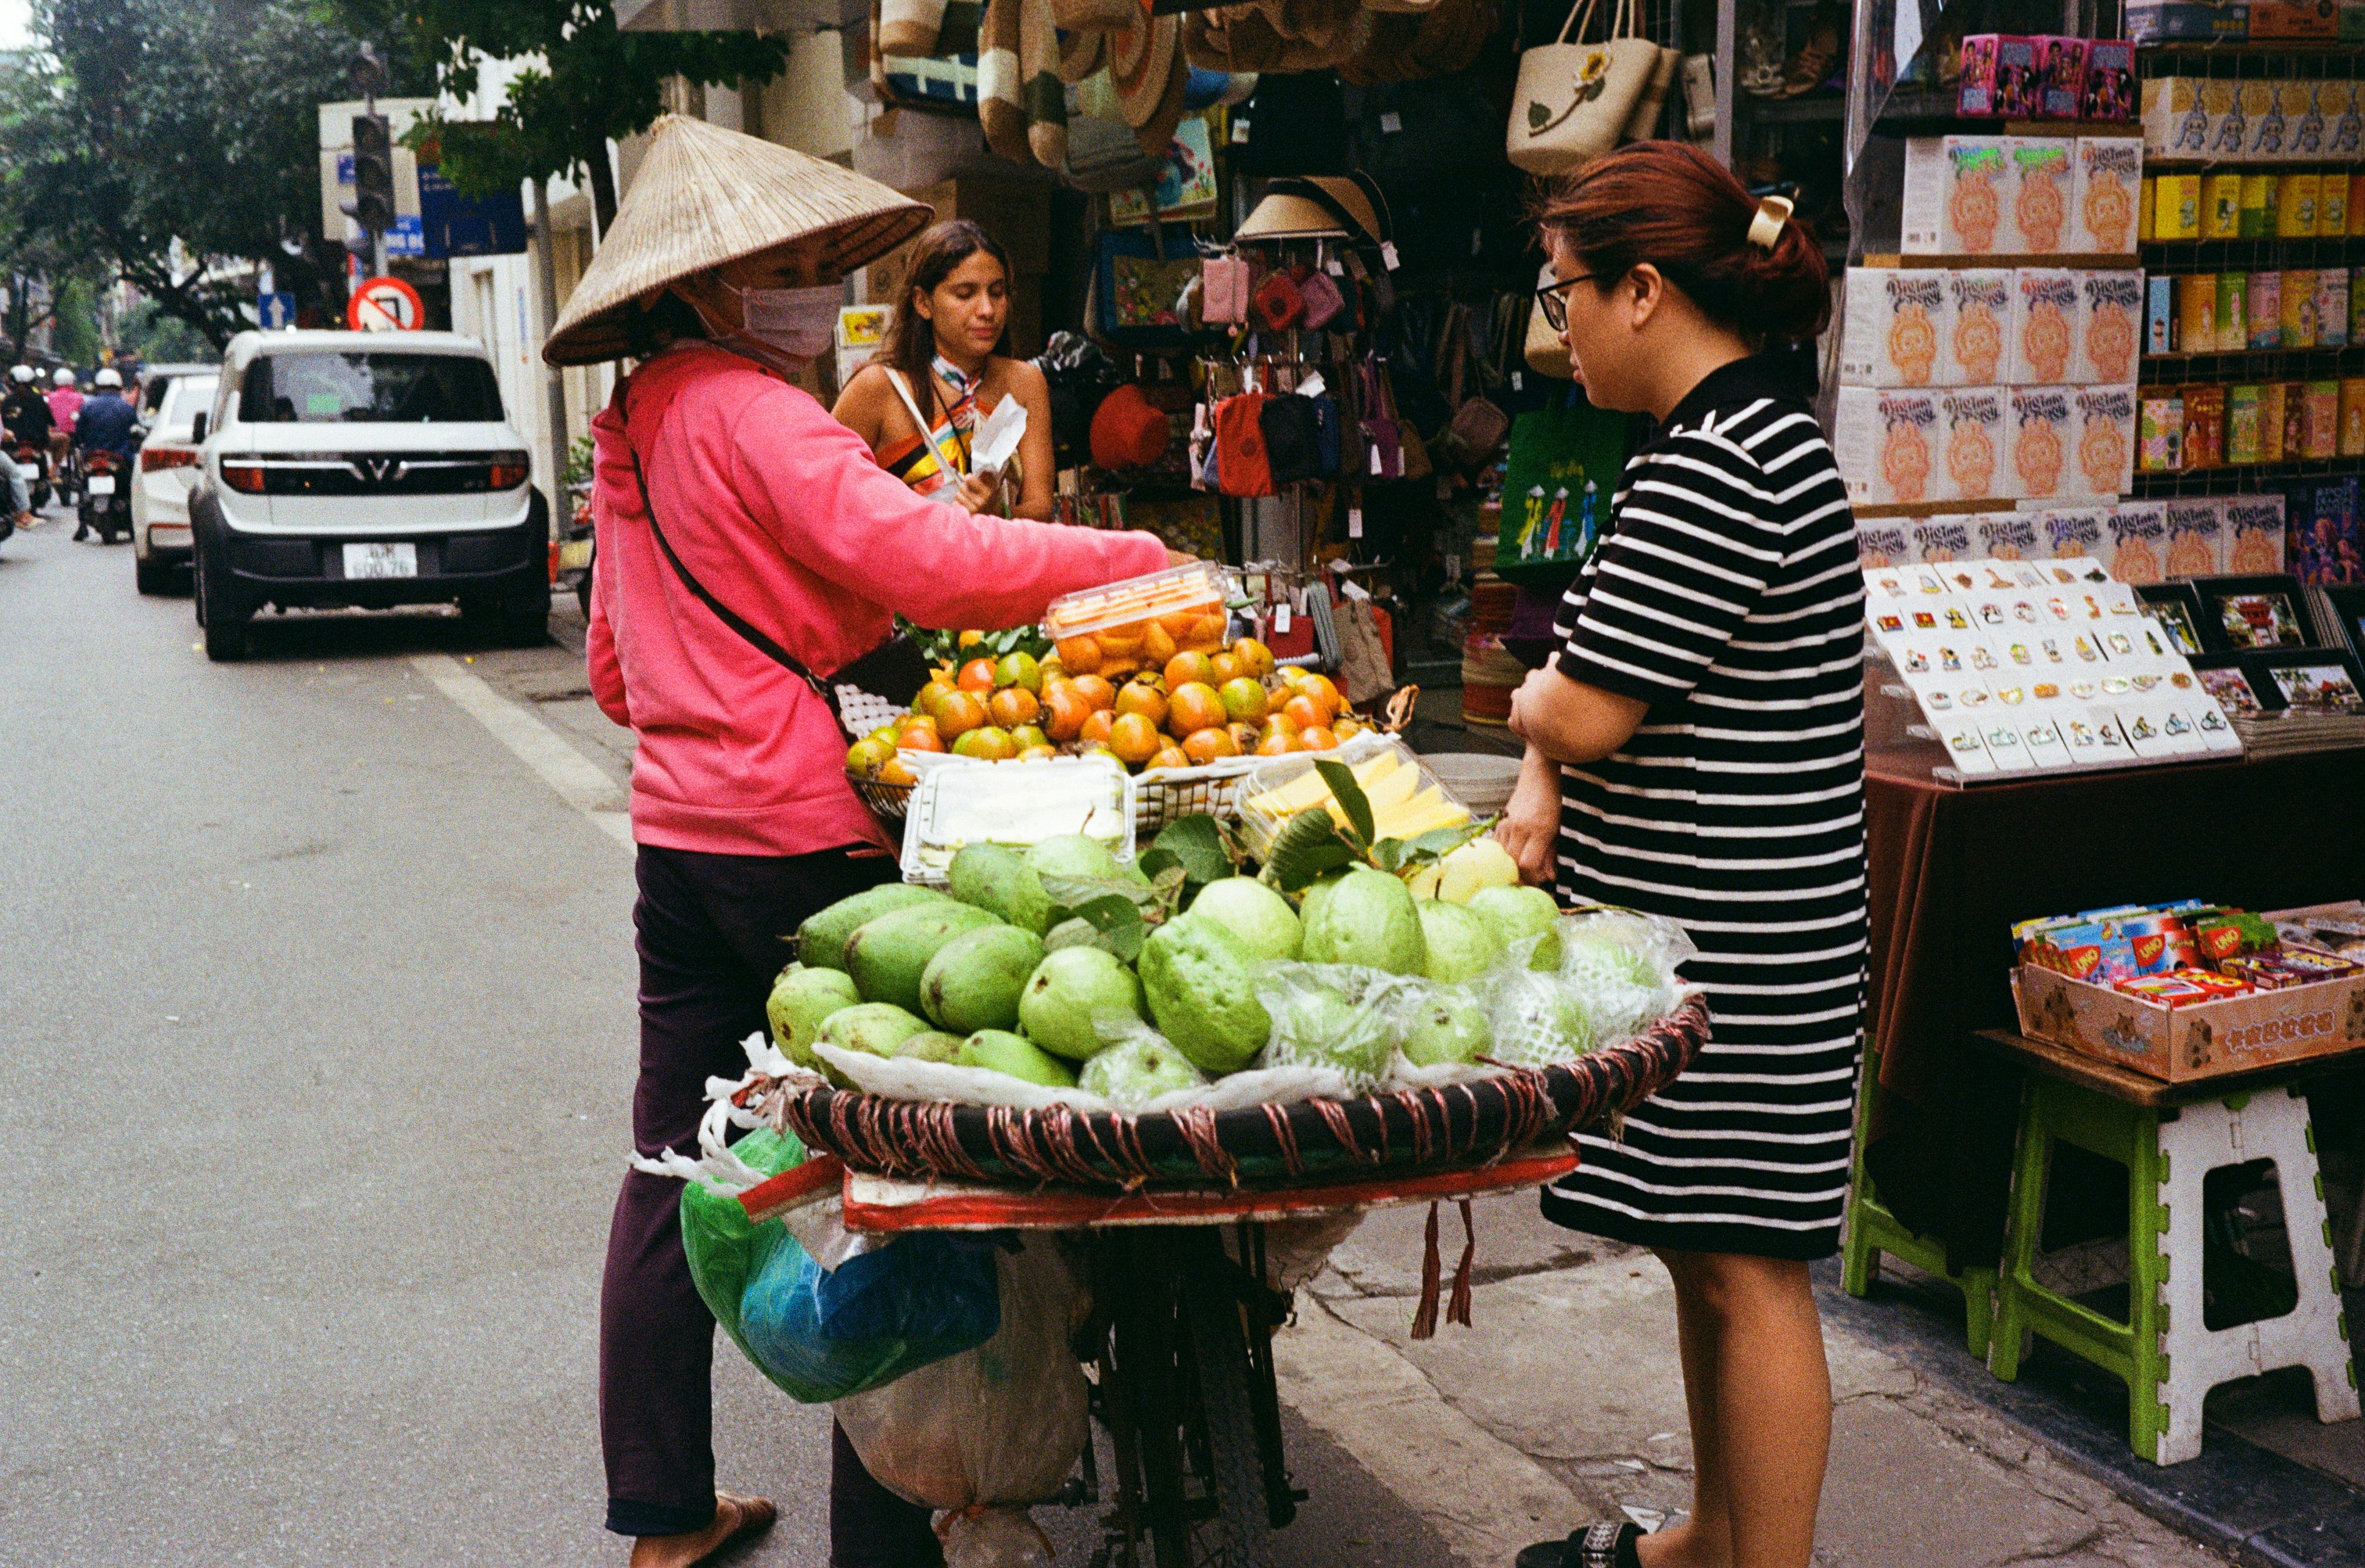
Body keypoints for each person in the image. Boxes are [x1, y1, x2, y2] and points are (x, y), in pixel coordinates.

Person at [539, 114, 1175, 1568]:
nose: (817, 292)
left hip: (678, 846)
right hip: (802, 852)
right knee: (874, 1166)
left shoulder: (635, 420)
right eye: (788, 270)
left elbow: (617, 676)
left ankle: (661, 1512)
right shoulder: (760, 415)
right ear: (711, 285)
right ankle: (881, 1550)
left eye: (820, 266)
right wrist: (1127, 559)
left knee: (670, 1162)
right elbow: (931, 563)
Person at [1498, 142, 1864, 1568]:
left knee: (1748, 1269)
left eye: (1566, 295)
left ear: (1642, 290)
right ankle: (1710, 1539)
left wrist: (1534, 721)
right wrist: (1545, 742)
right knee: (1706, 1252)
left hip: (1745, 940)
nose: (1561, 329)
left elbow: (1583, 701)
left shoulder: (1724, 466)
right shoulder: (1713, 446)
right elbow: (1596, 677)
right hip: (1717, 927)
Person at [831, 219, 1057, 520]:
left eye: (997, 292)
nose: (987, 310)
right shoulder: (878, 387)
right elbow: (826, 503)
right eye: (965, 294)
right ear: (923, 303)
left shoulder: (1025, 382)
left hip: (998, 551)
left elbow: (1041, 508)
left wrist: (997, 513)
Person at [71, 368, 138, 541]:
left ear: (98, 386)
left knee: (82, 485)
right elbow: (135, 432)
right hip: (121, 457)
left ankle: (82, 526)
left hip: (92, 456)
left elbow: (79, 434)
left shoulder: (87, 406)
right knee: (134, 485)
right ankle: (133, 523)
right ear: (118, 386)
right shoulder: (127, 408)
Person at [2, 366, 48, 527]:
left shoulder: (7, 401)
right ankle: (24, 514)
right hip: (31, 445)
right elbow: (48, 423)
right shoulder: (39, 399)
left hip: (13, 447)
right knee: (15, 475)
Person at [46, 367, 82, 504]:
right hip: (74, 436)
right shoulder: (79, 397)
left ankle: (54, 471)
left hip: (54, 436)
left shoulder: (50, 397)